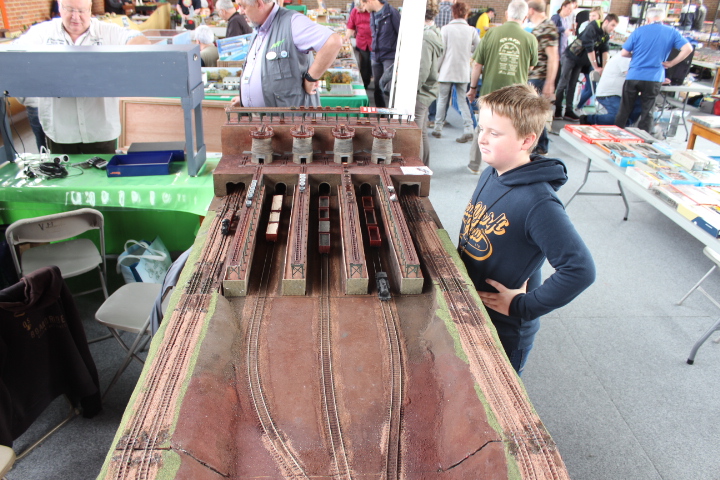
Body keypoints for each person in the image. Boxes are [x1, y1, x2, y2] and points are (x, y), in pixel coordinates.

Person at [458, 83, 595, 375]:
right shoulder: (491, 173)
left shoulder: (539, 202)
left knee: (497, 404)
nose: (482, 139)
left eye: (494, 133)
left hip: (504, 328)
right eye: (481, 128)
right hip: (476, 308)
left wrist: (523, 305)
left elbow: (580, 269)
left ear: (525, 140)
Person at [12, 0, 150, 154]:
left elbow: (138, 39)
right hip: (60, 132)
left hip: (100, 130)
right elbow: (14, 55)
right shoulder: (42, 33)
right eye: (69, 9)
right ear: (60, 8)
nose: (75, 17)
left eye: (81, 11)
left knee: (101, 175)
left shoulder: (108, 31)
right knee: (63, 175)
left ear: (90, 10)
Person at [465, 0, 538, 174]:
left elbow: (477, 65)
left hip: (491, 92)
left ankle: (475, 164)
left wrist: (473, 88)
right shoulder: (530, 39)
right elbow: (531, 67)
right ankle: (508, 167)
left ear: (506, 14)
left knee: (484, 128)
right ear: (525, 17)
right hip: (516, 96)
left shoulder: (491, 34)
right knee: (512, 130)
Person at [229, 0, 342, 108]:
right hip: (262, 120)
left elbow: (333, 41)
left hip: (289, 121)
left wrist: (311, 78)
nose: (240, 11)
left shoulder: (293, 22)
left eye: (242, 6)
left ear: (259, 3)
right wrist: (246, 97)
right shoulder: (258, 27)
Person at [615, 7, 692, 133]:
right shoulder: (671, 32)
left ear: (648, 18)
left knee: (624, 109)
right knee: (648, 111)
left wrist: (634, 55)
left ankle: (615, 135)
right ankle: (643, 139)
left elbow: (624, 53)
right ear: (663, 18)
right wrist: (672, 63)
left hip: (634, 75)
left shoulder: (639, 31)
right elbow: (688, 48)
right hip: (654, 77)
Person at [554, 13, 618, 121]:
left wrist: (605, 68)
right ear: (606, 22)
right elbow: (590, 49)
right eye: (612, 25)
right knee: (563, 82)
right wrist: (597, 67)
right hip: (570, 56)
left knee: (572, 85)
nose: (613, 29)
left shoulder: (605, 35)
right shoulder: (592, 27)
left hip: (580, 61)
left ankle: (568, 111)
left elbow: (605, 52)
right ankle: (557, 110)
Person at [432, 2, 478, 143]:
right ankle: (469, 128)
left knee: (442, 99)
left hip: (447, 70)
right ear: (466, 14)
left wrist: (437, 69)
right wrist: (468, 54)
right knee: (462, 100)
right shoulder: (471, 31)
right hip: (463, 70)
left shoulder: (445, 29)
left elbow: (442, 52)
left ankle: (437, 128)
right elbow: (478, 48)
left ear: (453, 13)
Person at [527, 0, 558, 155]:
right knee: (534, 113)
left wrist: (549, 83)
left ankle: (542, 146)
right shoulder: (539, 27)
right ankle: (540, 145)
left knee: (535, 114)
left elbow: (553, 57)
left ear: (531, 10)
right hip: (533, 76)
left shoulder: (547, 27)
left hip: (539, 77)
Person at [415, 0, 443, 166]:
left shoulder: (425, 37)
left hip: (421, 92)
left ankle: (418, 169)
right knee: (422, 132)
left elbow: (423, 70)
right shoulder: (434, 32)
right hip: (428, 90)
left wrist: (411, 92)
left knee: (416, 134)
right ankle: (423, 167)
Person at [578, 54, 642, 126]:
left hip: (620, 95)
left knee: (640, 102)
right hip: (608, 94)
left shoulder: (633, 59)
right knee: (619, 117)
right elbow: (633, 77)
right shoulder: (624, 58)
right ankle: (589, 119)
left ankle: (626, 124)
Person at [363, 0, 400, 108]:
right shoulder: (372, 14)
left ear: (369, 1)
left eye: (364, 4)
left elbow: (401, 34)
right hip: (376, 55)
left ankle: (390, 115)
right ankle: (380, 115)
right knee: (377, 87)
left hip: (389, 56)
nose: (363, 8)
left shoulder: (392, 12)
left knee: (388, 86)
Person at [575, 7, 603, 110]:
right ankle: (578, 106)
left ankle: (579, 106)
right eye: (590, 15)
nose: (591, 18)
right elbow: (587, 45)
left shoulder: (600, 29)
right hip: (584, 60)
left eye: (594, 16)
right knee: (591, 87)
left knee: (591, 87)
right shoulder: (586, 26)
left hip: (590, 61)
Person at [345, 1, 372, 89]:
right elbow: (350, 26)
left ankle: (379, 86)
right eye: (358, 8)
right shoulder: (354, 11)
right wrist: (346, 37)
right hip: (362, 41)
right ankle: (365, 83)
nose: (359, 10)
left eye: (361, 7)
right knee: (364, 63)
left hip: (374, 42)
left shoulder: (372, 11)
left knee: (374, 64)